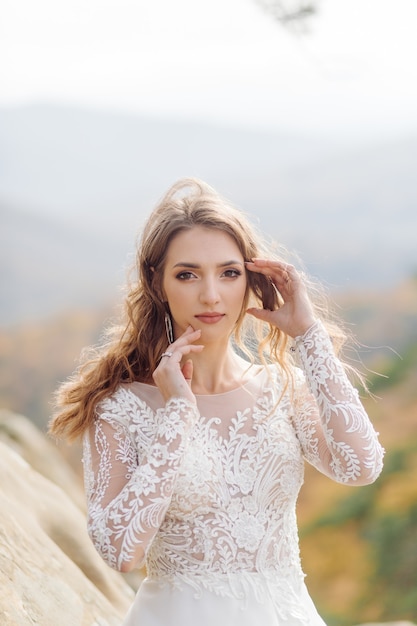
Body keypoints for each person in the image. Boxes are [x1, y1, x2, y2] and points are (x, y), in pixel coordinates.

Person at [50, 178, 384, 626]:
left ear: (251, 280)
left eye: (229, 273)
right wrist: (176, 416)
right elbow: (120, 551)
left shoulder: (283, 387)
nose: (211, 295)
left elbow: (360, 467)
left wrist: (310, 337)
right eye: (187, 274)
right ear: (158, 283)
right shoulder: (121, 407)